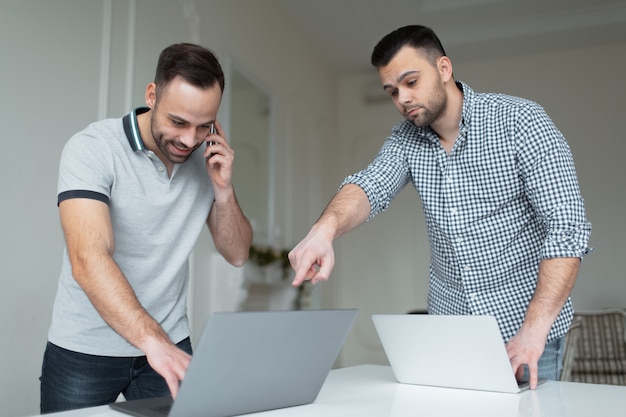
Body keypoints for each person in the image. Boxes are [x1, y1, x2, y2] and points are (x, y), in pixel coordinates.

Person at [289, 25, 592, 389]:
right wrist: (324, 230)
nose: (402, 98)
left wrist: (534, 330)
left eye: (411, 81)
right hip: (452, 333)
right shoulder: (406, 140)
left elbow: (567, 229)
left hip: (526, 335)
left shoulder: (520, 121)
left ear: (444, 69)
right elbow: (369, 184)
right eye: (392, 91)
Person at [40, 43, 253, 413]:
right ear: (152, 95)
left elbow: (237, 254)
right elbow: (88, 259)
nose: (189, 139)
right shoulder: (93, 149)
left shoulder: (206, 158)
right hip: (86, 348)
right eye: (179, 122)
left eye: (204, 125)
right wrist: (154, 342)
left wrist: (223, 190)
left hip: (170, 341)